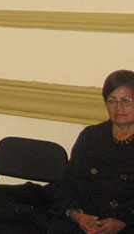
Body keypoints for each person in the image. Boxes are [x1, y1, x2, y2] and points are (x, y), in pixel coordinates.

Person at [48, 70, 134, 234]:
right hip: (84, 222)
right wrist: (77, 215)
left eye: (126, 101)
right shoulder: (91, 137)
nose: (119, 107)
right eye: (112, 101)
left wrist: (124, 221)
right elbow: (68, 185)